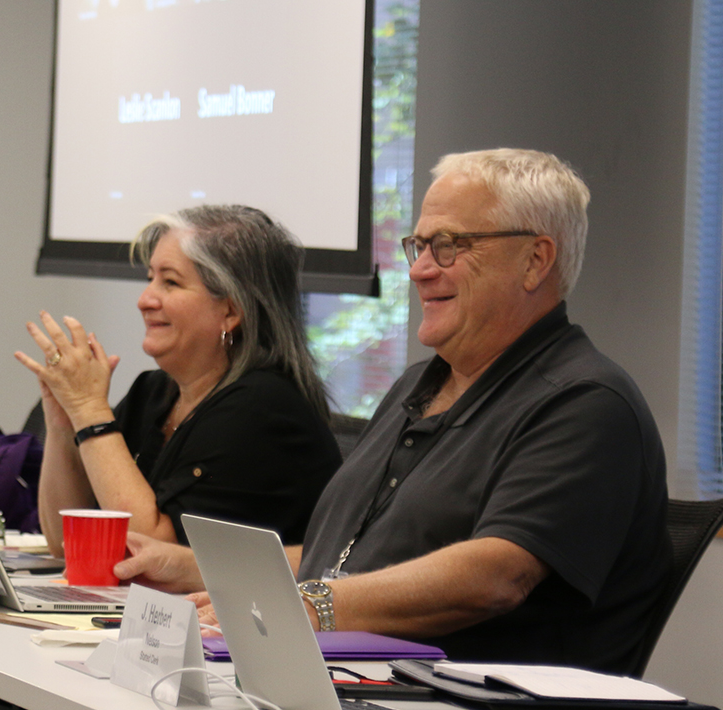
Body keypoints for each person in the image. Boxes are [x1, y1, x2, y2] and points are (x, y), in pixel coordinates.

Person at [112, 149, 672, 676]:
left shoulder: (584, 403)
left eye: (449, 246)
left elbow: (495, 575)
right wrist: (202, 569)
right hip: (353, 684)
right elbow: (344, 560)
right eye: (419, 246)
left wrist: (308, 605)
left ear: (535, 259)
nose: (421, 270)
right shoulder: (419, 385)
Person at [15, 205, 342, 555]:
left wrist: (89, 410)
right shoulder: (152, 392)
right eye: (150, 279)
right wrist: (65, 420)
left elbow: (151, 554)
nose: (144, 300)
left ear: (230, 311)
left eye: (170, 282)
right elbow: (68, 543)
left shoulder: (262, 409)